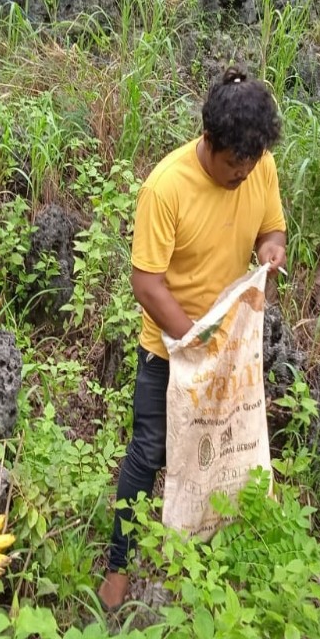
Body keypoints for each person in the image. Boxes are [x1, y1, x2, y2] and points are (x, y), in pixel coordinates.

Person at [98, 66, 287, 611]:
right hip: (171, 349)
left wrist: (271, 249)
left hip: (231, 353)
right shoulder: (166, 186)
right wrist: (193, 342)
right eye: (234, 165)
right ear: (209, 141)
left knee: (224, 456)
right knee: (150, 451)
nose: (242, 175)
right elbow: (146, 282)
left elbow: (271, 229)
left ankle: (205, 566)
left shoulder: (259, 166)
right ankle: (119, 566)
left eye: (251, 165)